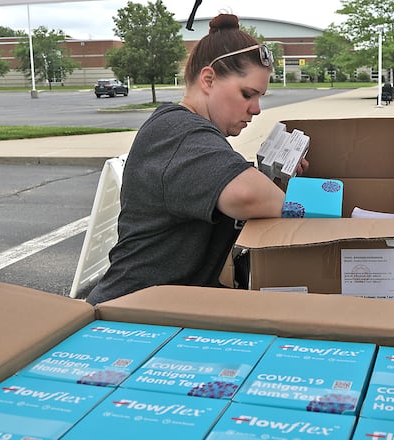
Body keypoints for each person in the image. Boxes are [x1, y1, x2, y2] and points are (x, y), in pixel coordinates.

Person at [86, 14, 307, 305]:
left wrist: (276, 179)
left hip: (164, 309)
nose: (256, 109)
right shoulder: (178, 134)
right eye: (247, 94)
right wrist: (308, 201)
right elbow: (246, 195)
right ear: (208, 79)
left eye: (260, 97)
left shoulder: (190, 132)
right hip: (130, 314)